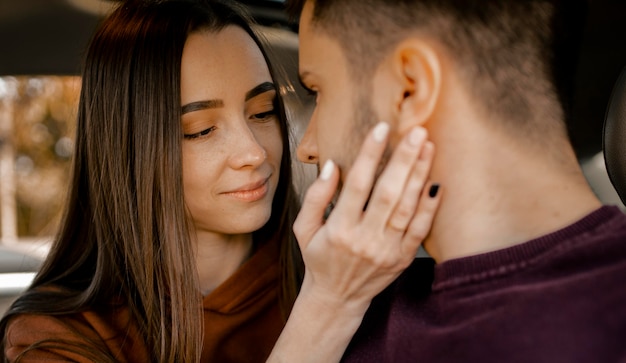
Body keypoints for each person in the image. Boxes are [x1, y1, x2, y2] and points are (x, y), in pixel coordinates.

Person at [1, 0, 441, 362]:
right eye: (201, 129)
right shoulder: (52, 338)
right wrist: (328, 307)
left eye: (263, 112)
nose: (254, 152)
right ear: (128, 149)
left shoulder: (363, 273)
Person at [288, 0, 626, 362]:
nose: (306, 149)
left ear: (410, 88)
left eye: (317, 90)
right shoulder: (352, 294)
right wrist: (325, 306)